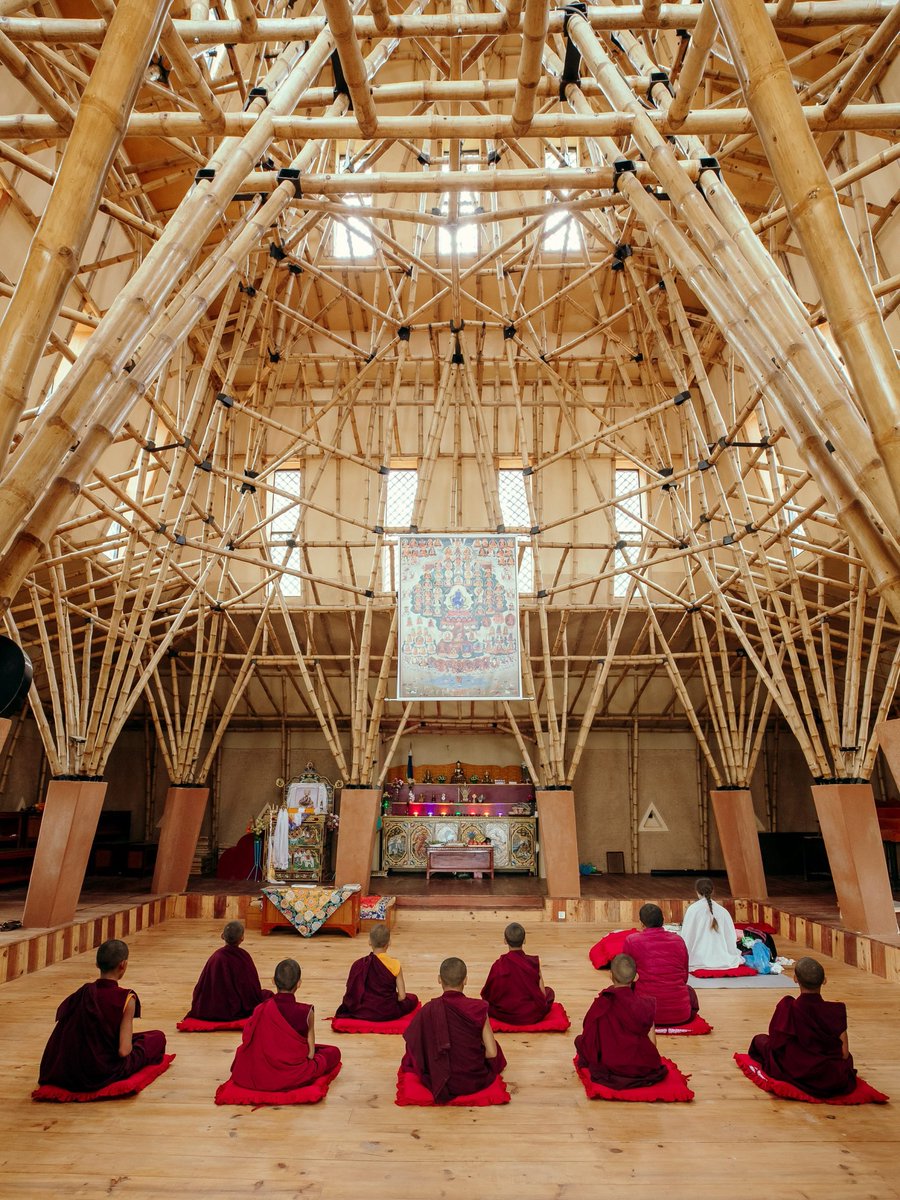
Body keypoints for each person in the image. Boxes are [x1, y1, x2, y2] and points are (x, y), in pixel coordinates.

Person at [38, 939, 166, 1092]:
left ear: (97, 964)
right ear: (123, 965)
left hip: (68, 1069)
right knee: (157, 1038)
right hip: (101, 1071)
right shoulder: (126, 998)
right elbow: (124, 1051)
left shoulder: (83, 993)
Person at [401, 956, 506, 1103]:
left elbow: (414, 1045)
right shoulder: (478, 1008)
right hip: (473, 1080)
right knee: (496, 1049)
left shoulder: (428, 1010)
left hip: (438, 1079)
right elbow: (492, 1052)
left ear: (439, 979)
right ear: (465, 980)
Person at [747, 957, 856, 1097]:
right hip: (831, 1077)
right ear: (824, 980)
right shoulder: (835, 1011)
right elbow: (844, 1054)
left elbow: (775, 1044)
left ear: (795, 979)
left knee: (759, 1040)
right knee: (847, 1062)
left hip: (797, 1071)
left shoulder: (787, 1006)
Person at [227, 959, 341, 1092]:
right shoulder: (305, 1012)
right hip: (292, 1073)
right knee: (333, 1052)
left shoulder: (260, 1009)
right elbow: (310, 1054)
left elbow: (248, 1040)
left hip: (259, 1073)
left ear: (273, 981)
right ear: (299, 984)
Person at [575, 954, 668, 1089]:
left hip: (610, 1065)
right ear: (636, 977)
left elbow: (589, 1033)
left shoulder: (602, 1003)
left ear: (610, 974)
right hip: (642, 1068)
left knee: (580, 1041)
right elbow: (652, 1044)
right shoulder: (645, 1005)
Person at [623, 903, 699, 1026]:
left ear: (641, 923)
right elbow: (684, 977)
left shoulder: (632, 940)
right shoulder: (678, 940)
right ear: (663, 921)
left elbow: (625, 977)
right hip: (681, 1014)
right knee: (689, 992)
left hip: (643, 1014)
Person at [184, 920, 273, 1023]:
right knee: (268, 995)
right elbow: (251, 987)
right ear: (242, 938)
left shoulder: (215, 957)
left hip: (213, 1008)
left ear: (222, 936)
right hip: (238, 1008)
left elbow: (203, 986)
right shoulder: (244, 957)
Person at [334, 924, 419, 1022]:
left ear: (369, 942)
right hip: (387, 1011)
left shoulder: (358, 964)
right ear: (389, 942)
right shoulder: (395, 964)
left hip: (364, 1010)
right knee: (413, 998)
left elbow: (352, 993)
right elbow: (402, 996)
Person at [480, 922, 554, 1025]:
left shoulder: (498, 965)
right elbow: (542, 995)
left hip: (505, 1015)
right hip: (531, 1015)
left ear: (505, 941)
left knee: (485, 1005)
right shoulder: (532, 962)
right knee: (550, 992)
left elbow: (487, 994)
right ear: (524, 940)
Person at [679, 878, 742, 971]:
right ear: (713, 891)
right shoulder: (723, 911)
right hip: (722, 958)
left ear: (697, 891)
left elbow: (687, 935)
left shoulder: (693, 910)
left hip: (697, 958)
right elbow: (731, 937)